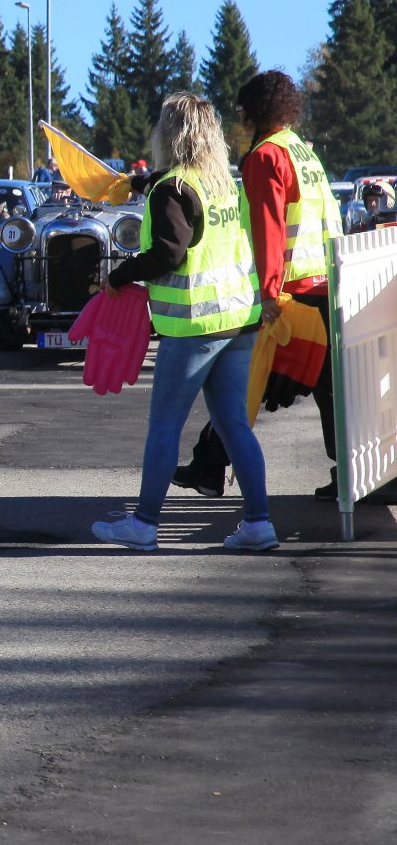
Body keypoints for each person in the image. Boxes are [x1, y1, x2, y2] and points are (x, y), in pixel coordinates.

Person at [90, 92, 276, 553]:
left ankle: (144, 524)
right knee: (234, 424)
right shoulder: (222, 183)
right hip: (238, 320)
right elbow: (185, 206)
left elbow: (169, 252)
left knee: (165, 425)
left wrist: (120, 275)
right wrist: (136, 184)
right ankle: (258, 523)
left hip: (194, 325)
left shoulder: (171, 188)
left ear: (168, 134)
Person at [171, 70, 344, 500]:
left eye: (242, 110)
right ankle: (345, 469)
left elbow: (270, 231)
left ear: (253, 112)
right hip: (325, 286)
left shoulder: (265, 157)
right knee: (327, 388)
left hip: (290, 295)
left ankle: (210, 466)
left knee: (248, 380)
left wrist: (267, 294)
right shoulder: (301, 150)